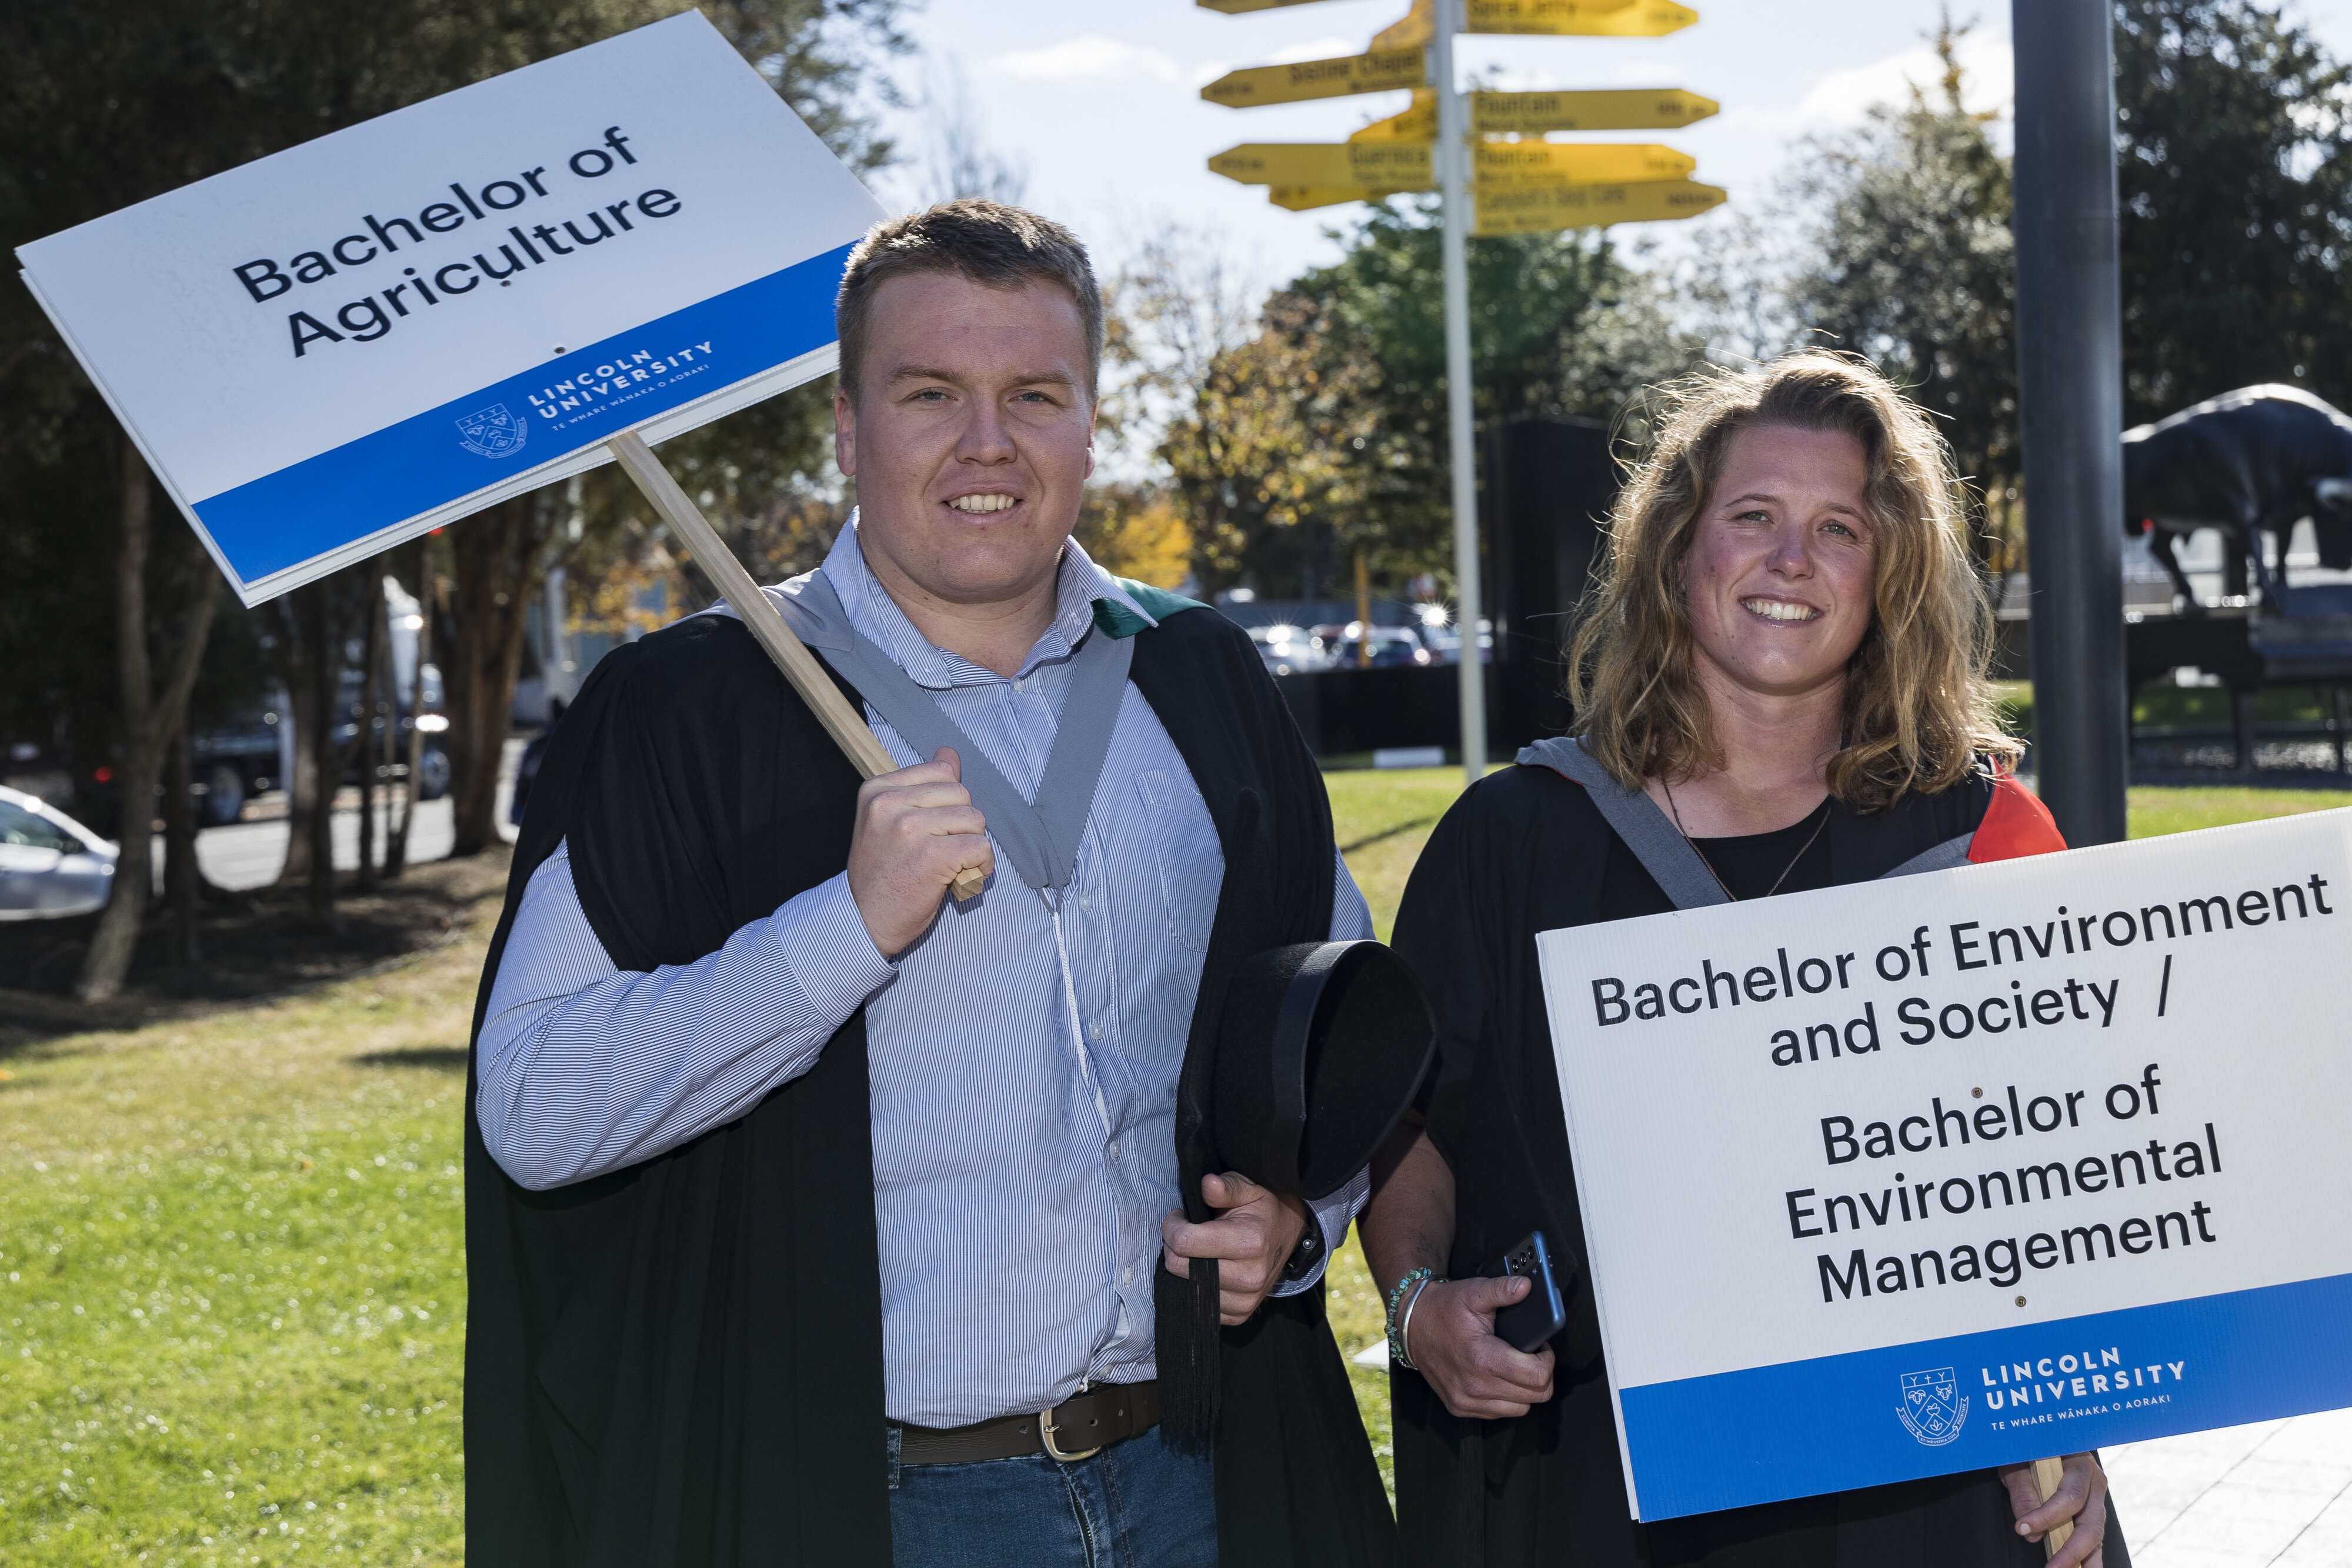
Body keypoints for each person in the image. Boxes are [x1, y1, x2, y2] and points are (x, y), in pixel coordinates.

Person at [461, 199, 1394, 1567]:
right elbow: (534, 1108)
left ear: (1089, 422)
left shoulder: (1200, 675)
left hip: (1202, 1469)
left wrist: (1300, 1217)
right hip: (878, 1509)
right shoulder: (689, 708)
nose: (986, 444)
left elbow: (1335, 1027)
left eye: (1033, 395)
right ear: (848, 427)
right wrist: (844, 927)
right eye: (929, 395)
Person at [1360, 353, 2129, 1568]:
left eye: (1838, 528)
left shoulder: (1982, 838)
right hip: (1605, 1485)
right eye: (1752, 518)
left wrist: (2073, 1424)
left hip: (1911, 1492)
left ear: (1889, 574)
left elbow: (2053, 1180)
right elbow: (1412, 1124)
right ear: (1676, 554)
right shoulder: (1512, 841)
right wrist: (1416, 1309)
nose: (1790, 559)